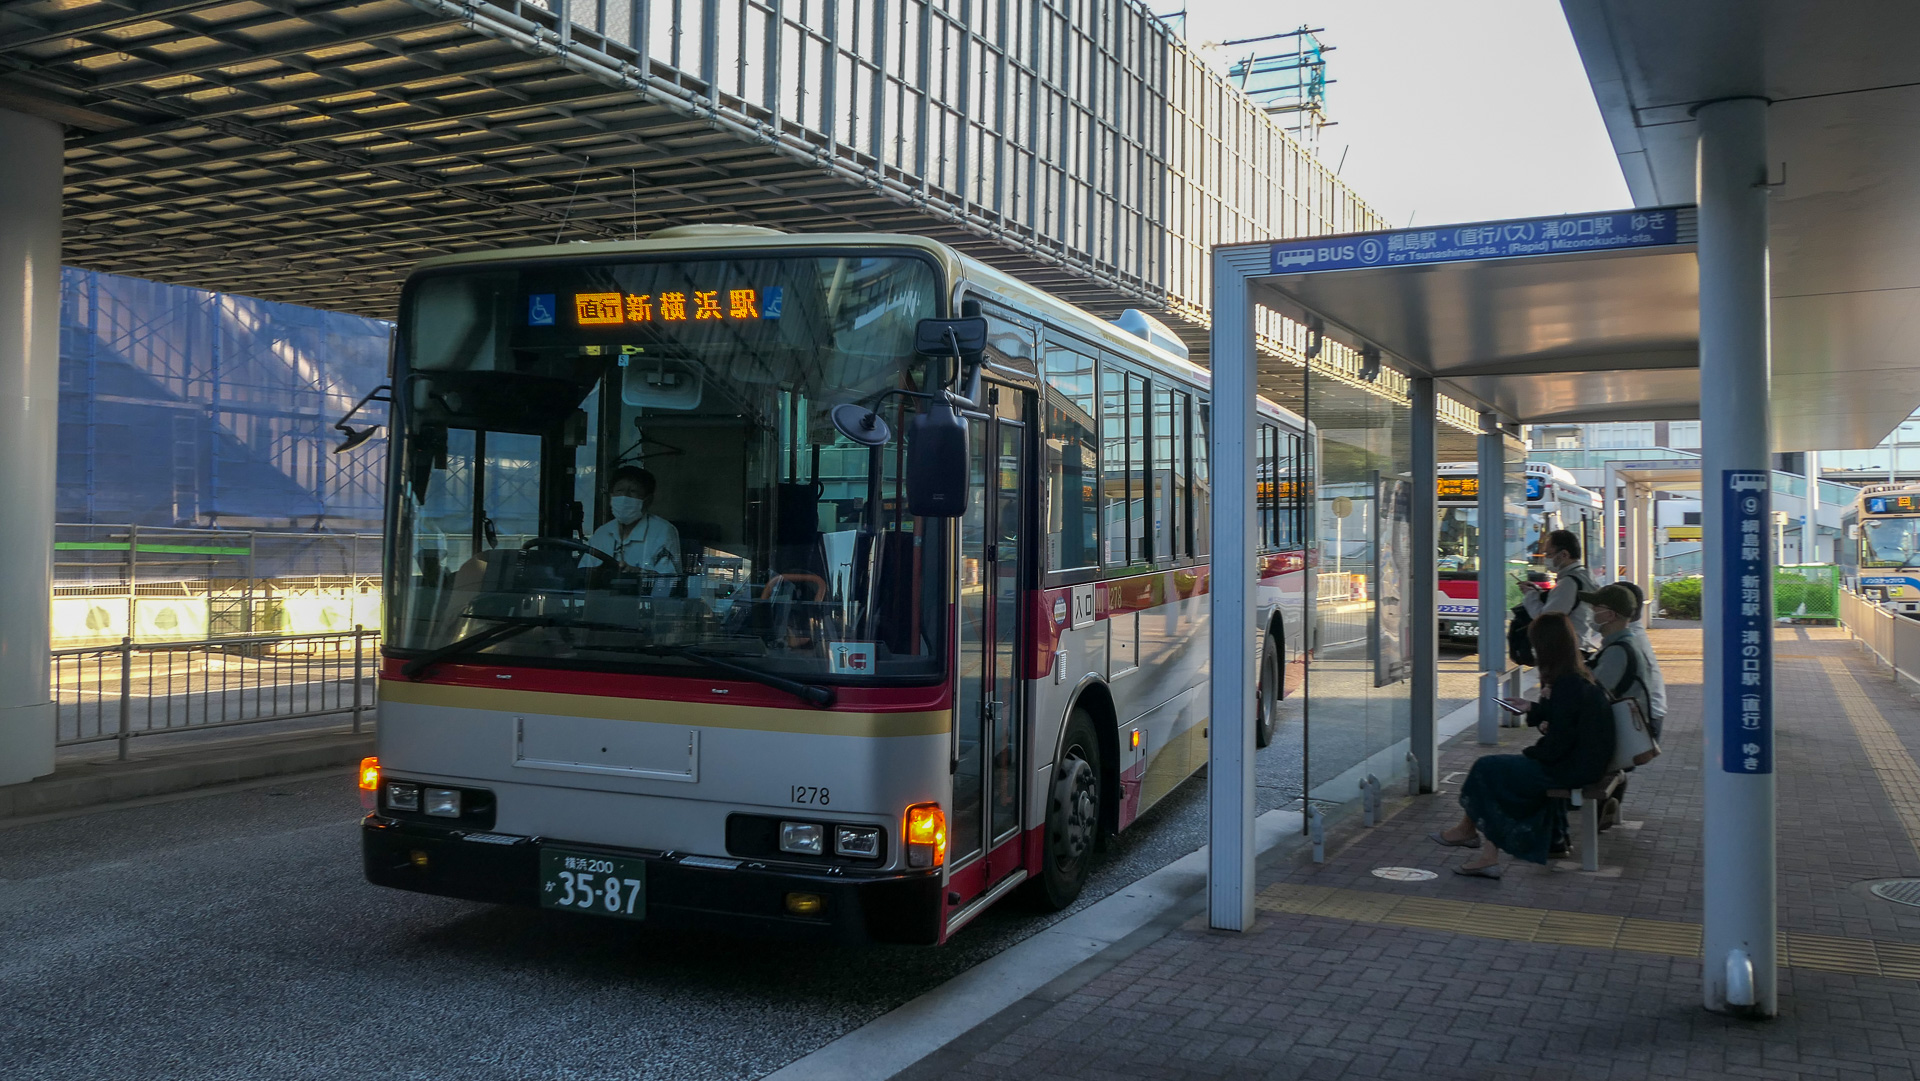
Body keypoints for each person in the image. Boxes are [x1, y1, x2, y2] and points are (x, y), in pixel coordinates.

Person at [1430, 611, 1616, 877]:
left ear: (1546, 647)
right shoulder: (1578, 676)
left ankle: (1474, 839)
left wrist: (1530, 754)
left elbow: (1558, 743)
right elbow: (1567, 720)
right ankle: (1483, 847)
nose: (1532, 650)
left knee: (1489, 769)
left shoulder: (1566, 684)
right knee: (1497, 771)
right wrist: (1533, 708)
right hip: (1584, 762)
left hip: (1574, 768)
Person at [1582, 582, 1668, 739]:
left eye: (1596, 606)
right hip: (1641, 717)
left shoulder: (1622, 646)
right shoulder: (1626, 638)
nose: (1591, 609)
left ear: (1611, 614)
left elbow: (1594, 692)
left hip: (1638, 721)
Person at [581, 466, 681, 586]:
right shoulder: (602, 533)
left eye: (633, 492)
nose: (625, 497)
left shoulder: (662, 531)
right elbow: (583, 574)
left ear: (648, 500)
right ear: (611, 497)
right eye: (619, 491)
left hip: (642, 602)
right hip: (602, 600)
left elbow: (670, 581)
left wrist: (639, 574)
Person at [1522, 528, 1601, 653]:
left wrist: (1530, 595)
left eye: (1548, 554)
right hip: (1579, 645)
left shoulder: (1568, 583)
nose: (1546, 559)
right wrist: (1540, 594)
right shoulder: (1585, 575)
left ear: (1564, 554)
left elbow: (1546, 620)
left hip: (1564, 651)